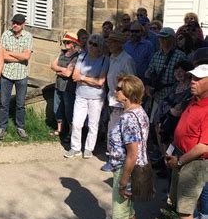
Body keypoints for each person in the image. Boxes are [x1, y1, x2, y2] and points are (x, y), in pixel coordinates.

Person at [103, 75, 150, 219]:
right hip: (133, 168)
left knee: (120, 217)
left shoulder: (129, 118)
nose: (116, 91)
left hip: (126, 170)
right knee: (129, 212)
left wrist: (123, 180)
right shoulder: (139, 112)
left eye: (120, 89)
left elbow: (132, 152)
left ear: (129, 93)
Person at [165, 64, 208, 219]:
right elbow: (182, 130)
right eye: (192, 78)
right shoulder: (193, 100)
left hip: (194, 163)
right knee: (176, 200)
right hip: (180, 157)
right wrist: (170, 153)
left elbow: (203, 146)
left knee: (185, 209)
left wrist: (180, 161)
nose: (193, 82)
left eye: (198, 79)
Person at [63, 33, 109, 159]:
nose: (92, 46)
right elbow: (74, 76)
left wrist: (83, 78)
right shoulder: (82, 57)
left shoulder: (105, 59)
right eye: (90, 43)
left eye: (95, 44)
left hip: (96, 97)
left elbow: (100, 82)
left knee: (93, 124)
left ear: (100, 46)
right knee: (77, 123)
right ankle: (75, 147)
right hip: (81, 95)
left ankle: (89, 148)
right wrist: (91, 80)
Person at [100, 31, 137, 171]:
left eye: (111, 42)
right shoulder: (112, 57)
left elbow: (132, 81)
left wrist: (126, 102)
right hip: (112, 98)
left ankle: (117, 160)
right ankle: (114, 158)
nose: (108, 45)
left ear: (119, 44)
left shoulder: (126, 59)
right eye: (108, 42)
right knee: (113, 129)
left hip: (122, 102)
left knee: (118, 131)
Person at [0, 13, 33, 140]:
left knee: (20, 104)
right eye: (13, 22)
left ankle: (20, 127)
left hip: (21, 75)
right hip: (6, 74)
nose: (15, 25)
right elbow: (1, 55)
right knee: (4, 103)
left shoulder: (28, 36)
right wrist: (19, 56)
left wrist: (10, 54)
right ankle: (2, 127)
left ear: (23, 24)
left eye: (18, 23)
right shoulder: (6, 34)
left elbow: (26, 56)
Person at [145, 27, 185, 122]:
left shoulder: (180, 55)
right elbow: (148, 72)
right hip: (157, 95)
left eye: (165, 38)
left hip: (173, 97)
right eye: (160, 38)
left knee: (167, 124)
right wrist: (149, 84)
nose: (162, 40)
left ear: (172, 39)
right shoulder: (156, 55)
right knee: (154, 123)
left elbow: (185, 77)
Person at [50, 31, 81, 138]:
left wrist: (59, 71)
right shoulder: (62, 53)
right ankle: (59, 129)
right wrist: (62, 70)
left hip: (69, 87)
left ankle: (71, 132)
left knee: (69, 110)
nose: (66, 44)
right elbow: (53, 65)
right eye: (65, 42)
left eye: (68, 42)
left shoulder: (77, 56)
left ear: (74, 44)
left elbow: (68, 73)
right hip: (58, 85)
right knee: (57, 108)